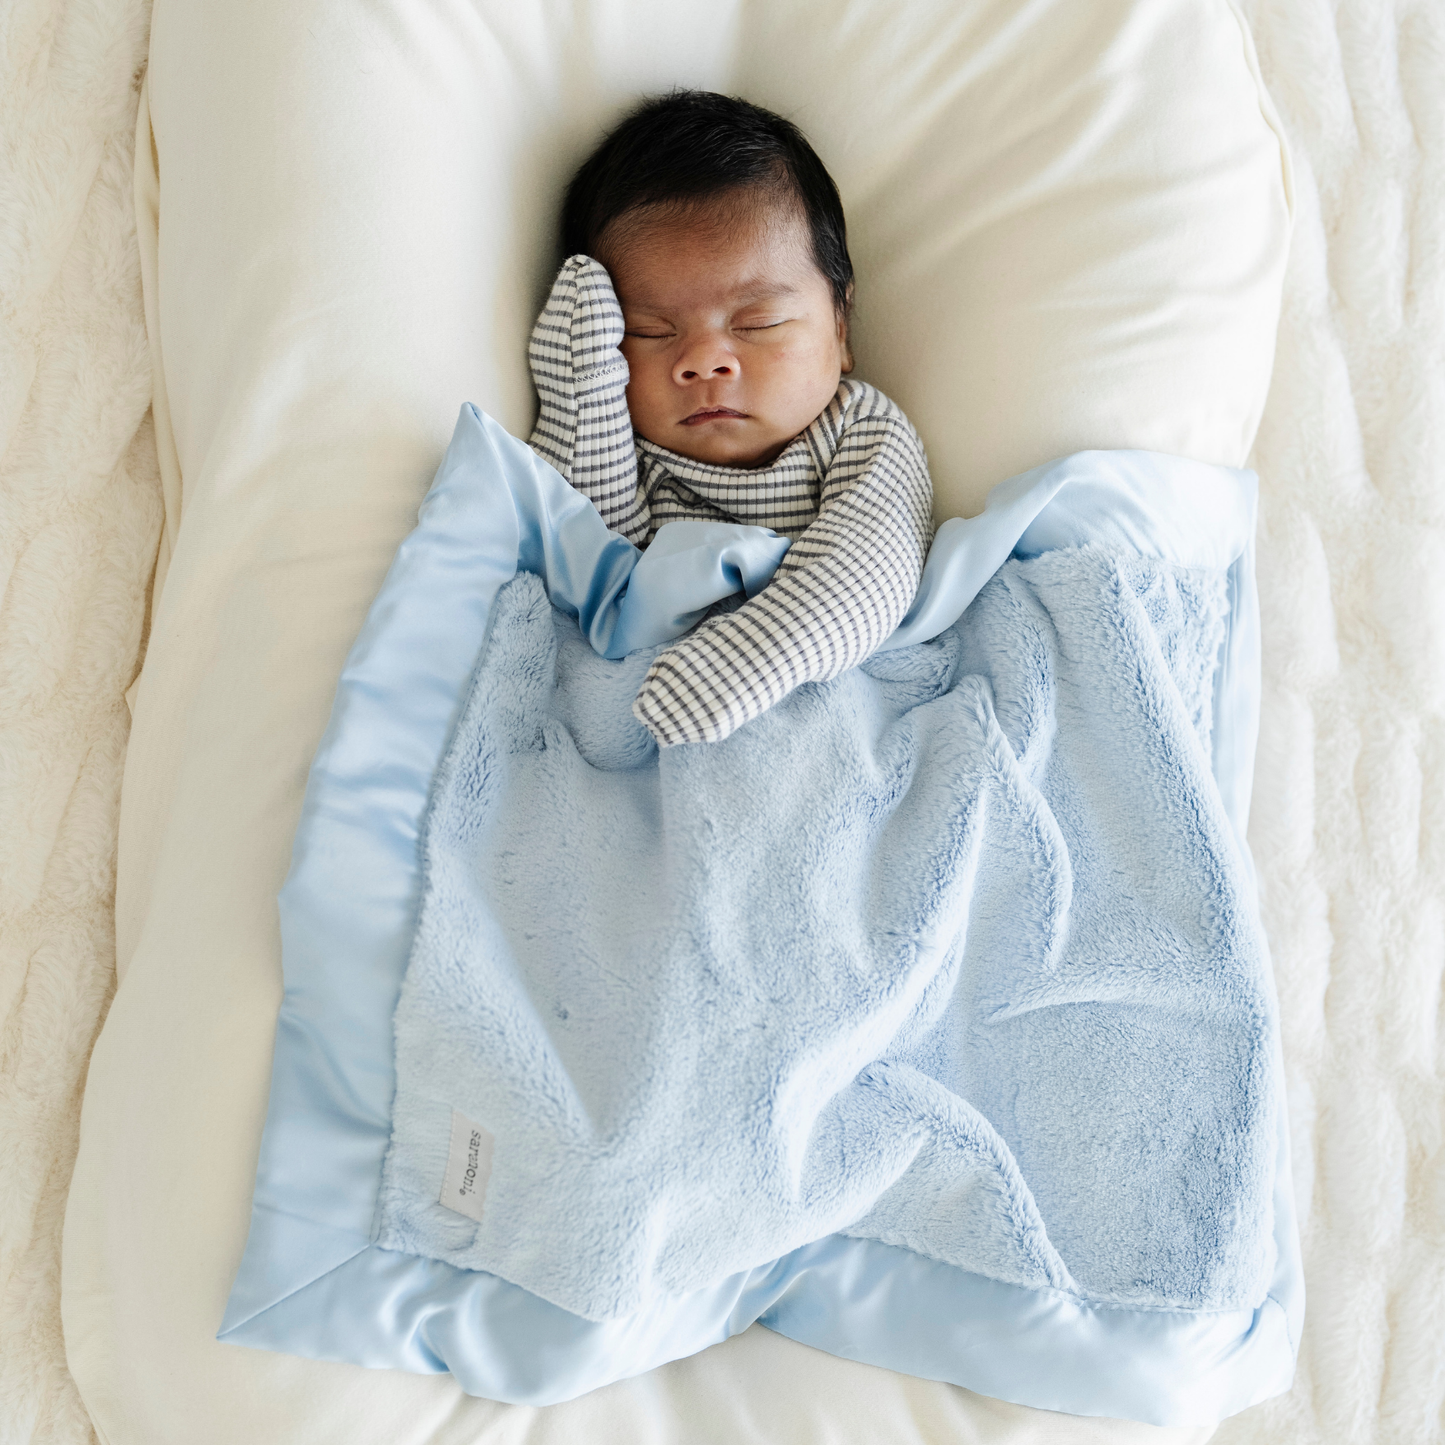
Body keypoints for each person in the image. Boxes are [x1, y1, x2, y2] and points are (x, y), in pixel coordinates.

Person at [528, 90, 934, 747]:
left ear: (839, 324)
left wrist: (746, 661)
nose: (703, 361)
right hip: (648, 716)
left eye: (758, 323)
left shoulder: (857, 429)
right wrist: (585, 383)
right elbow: (590, 564)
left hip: (812, 685)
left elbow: (871, 568)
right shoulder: (633, 449)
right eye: (647, 330)